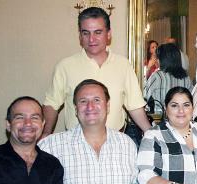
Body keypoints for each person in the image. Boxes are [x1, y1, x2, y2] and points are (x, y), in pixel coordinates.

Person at [42, 7, 150, 138]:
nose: (91, 39)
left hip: (116, 144)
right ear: (80, 35)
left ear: (108, 34)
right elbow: (51, 104)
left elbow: (134, 106)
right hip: (75, 145)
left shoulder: (123, 65)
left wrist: (151, 133)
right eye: (86, 33)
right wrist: (45, 134)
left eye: (97, 32)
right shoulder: (65, 66)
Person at [39, 79, 138, 184]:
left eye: (97, 100)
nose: (90, 106)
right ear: (75, 108)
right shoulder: (51, 146)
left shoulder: (126, 144)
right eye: (83, 101)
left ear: (108, 106)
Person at [144, 43, 193, 113]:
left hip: (161, 119)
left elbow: (144, 97)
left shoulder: (157, 76)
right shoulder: (186, 78)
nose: (156, 60)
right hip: (182, 117)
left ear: (163, 59)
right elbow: (191, 100)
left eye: (158, 58)